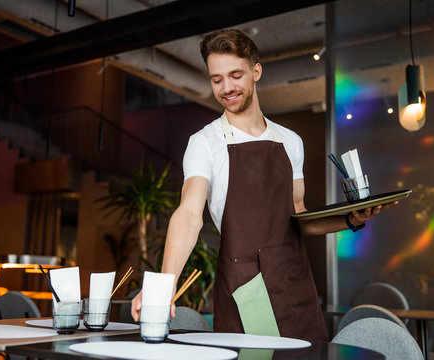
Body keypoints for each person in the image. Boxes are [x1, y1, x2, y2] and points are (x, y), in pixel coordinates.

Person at [131, 29, 396, 341]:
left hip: (294, 283)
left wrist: (350, 219)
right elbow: (189, 213)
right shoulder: (204, 142)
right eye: (217, 79)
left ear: (256, 72)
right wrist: (166, 282)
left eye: (235, 75)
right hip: (246, 289)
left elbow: (299, 217)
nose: (226, 88)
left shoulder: (290, 142)